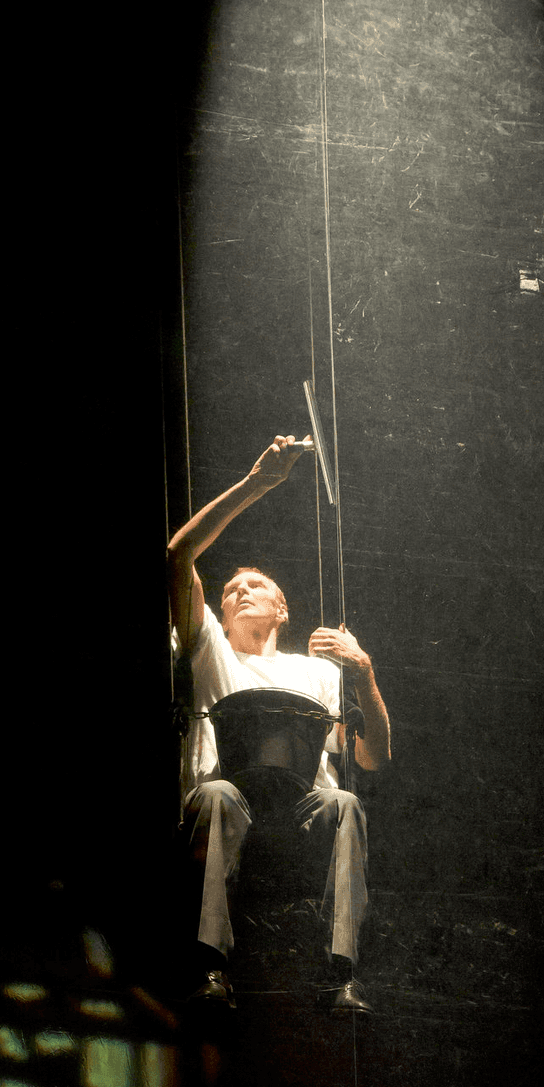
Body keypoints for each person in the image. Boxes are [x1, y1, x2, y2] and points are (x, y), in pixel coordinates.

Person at [167, 434, 391, 1014]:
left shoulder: (316, 670)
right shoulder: (211, 652)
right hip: (233, 800)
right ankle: (210, 968)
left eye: (254, 585)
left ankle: (340, 975)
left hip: (297, 813)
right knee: (215, 792)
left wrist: (363, 672)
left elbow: (373, 759)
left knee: (344, 801)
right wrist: (259, 482)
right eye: (230, 590)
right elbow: (177, 555)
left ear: (281, 607)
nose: (240, 592)